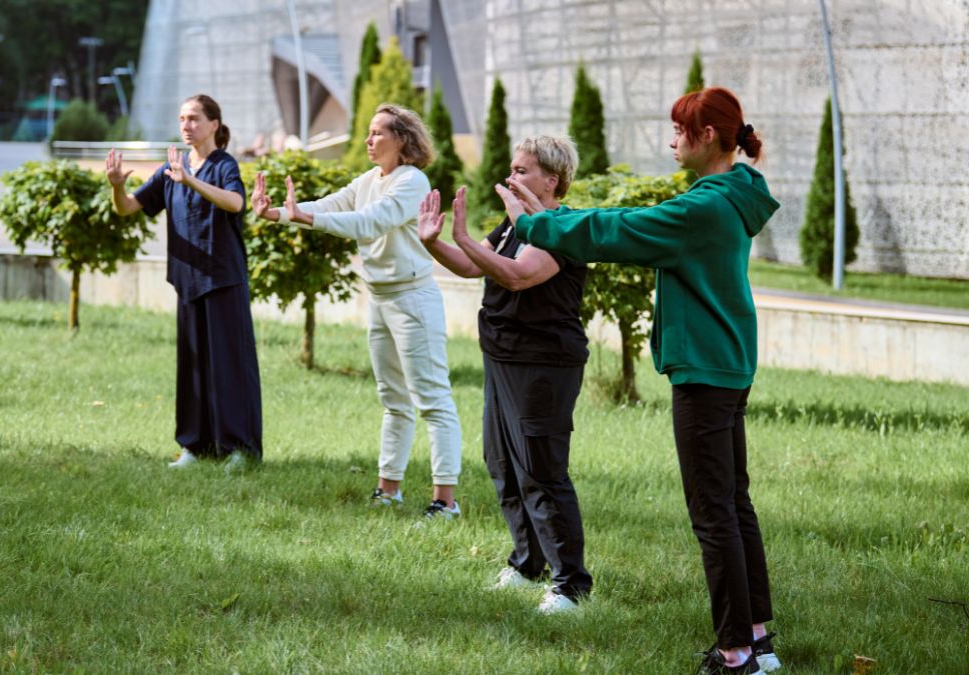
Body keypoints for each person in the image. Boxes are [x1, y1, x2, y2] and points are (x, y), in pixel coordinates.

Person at [499, 87, 779, 673]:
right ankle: (757, 639)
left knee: (714, 512)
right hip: (727, 364)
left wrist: (541, 224)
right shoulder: (734, 195)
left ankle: (734, 654)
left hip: (705, 371)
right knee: (733, 503)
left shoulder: (703, 207)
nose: (671, 139)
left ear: (707, 138)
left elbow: (616, 231)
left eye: (679, 130)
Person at [250, 103, 463, 520]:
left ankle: (445, 501)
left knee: (432, 398)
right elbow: (332, 205)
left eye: (378, 133)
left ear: (402, 139)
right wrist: (275, 214)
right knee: (393, 399)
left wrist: (306, 218)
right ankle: (388, 490)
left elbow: (368, 222)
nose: (368, 140)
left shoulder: (412, 181)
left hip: (413, 299)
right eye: (368, 133)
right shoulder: (371, 179)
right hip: (381, 298)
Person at [417, 135, 592, 612]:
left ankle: (570, 584)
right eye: (511, 169)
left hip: (543, 364)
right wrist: (435, 243)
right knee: (503, 466)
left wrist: (467, 241)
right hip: (502, 357)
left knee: (541, 470)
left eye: (521, 171)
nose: (510, 178)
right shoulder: (516, 223)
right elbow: (475, 268)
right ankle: (527, 562)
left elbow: (517, 274)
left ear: (551, 180)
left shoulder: (560, 227)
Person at [107, 94, 261, 470]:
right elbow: (127, 207)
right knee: (192, 367)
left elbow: (236, 203)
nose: (186, 126)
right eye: (181, 119)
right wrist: (115, 185)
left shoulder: (223, 165)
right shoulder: (170, 170)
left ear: (213, 124)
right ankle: (195, 446)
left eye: (194, 118)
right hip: (188, 280)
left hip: (224, 279)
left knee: (229, 366)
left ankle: (239, 449)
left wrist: (190, 181)